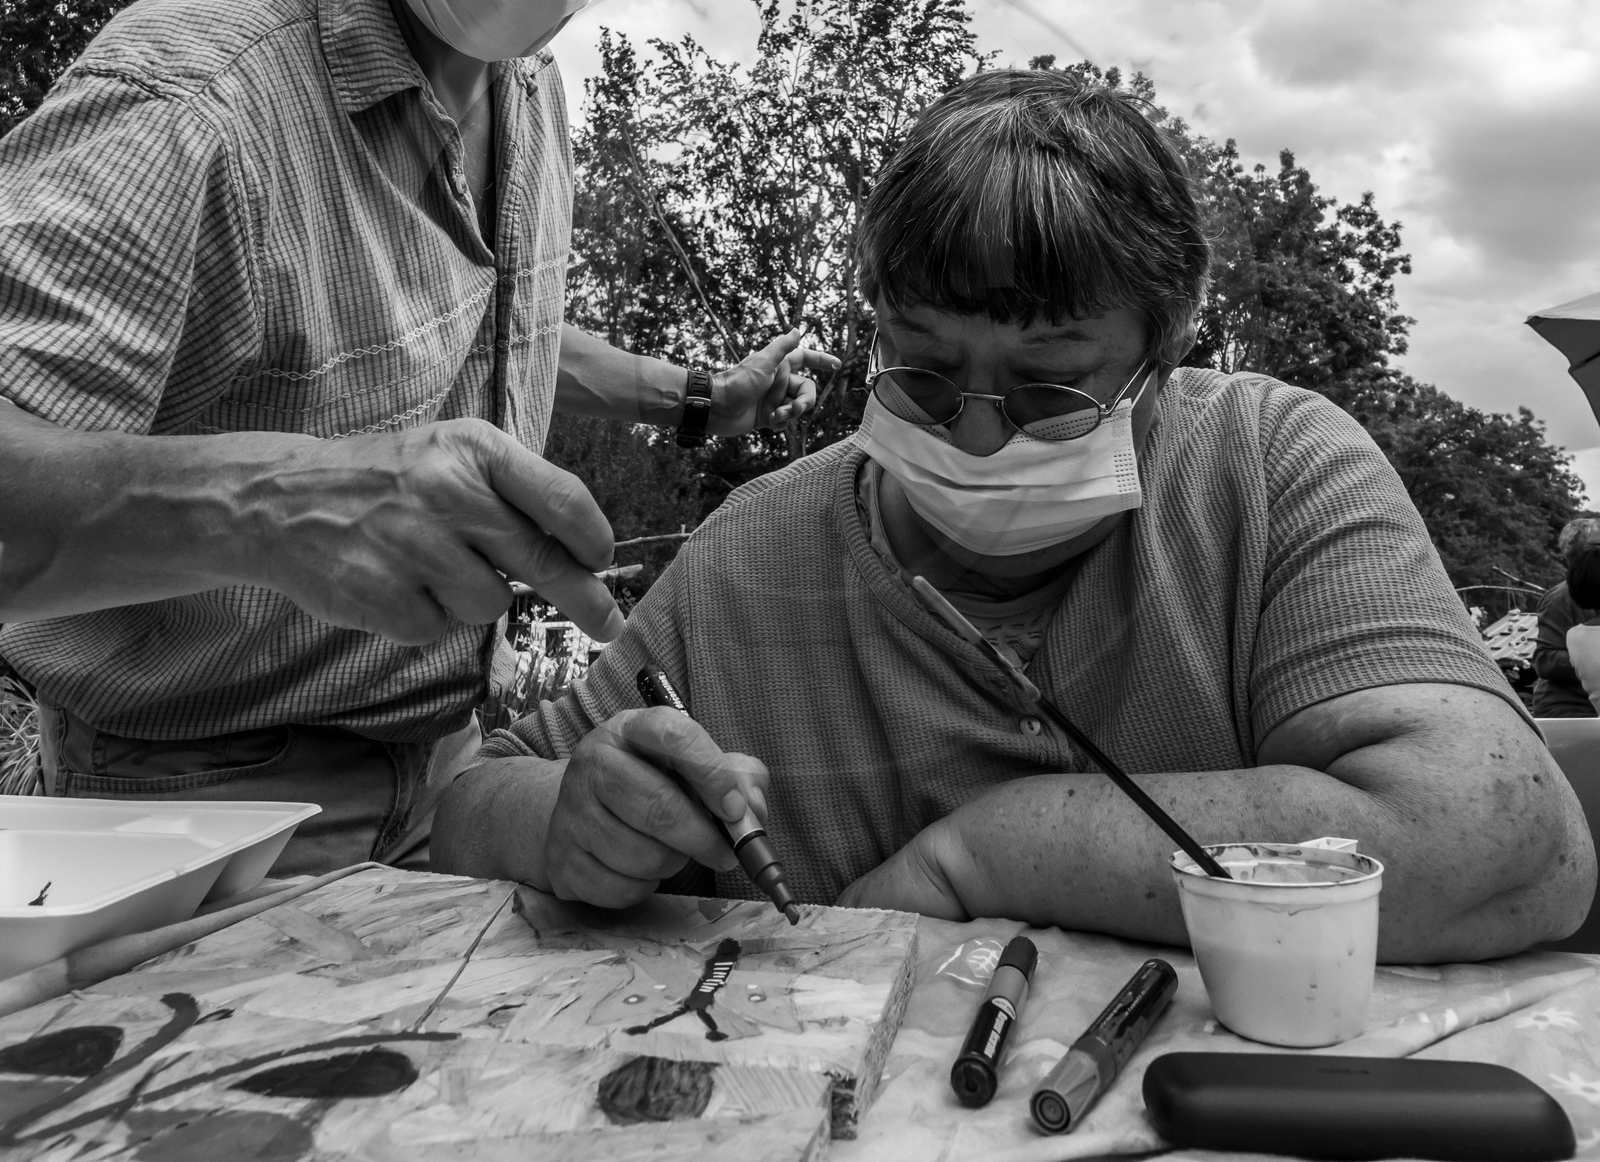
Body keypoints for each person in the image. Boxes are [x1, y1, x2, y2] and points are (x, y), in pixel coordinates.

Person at [0, 0, 832, 871]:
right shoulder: (186, 102)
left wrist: (693, 395)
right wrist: (270, 507)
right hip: (199, 811)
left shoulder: (527, 84)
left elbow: (498, 326)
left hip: (463, 770)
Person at [435, 67, 1597, 962]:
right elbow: (472, 804)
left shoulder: (1269, 466)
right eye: (925, 374)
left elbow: (1504, 846)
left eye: (1049, 389)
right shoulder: (756, 550)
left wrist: (984, 851)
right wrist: (570, 822)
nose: (976, 433)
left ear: (1162, 357)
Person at [1532, 518, 1600, 718]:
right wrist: (1587, 658)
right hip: (1570, 712)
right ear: (1584, 552)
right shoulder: (1559, 598)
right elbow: (1544, 660)